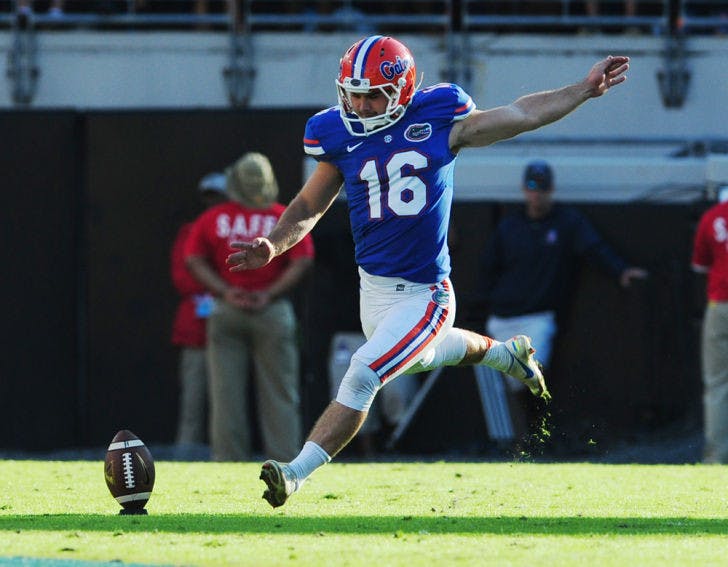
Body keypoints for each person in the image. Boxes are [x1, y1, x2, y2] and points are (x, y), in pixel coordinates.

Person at [226, 35, 630, 507]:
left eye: (372, 93)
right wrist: (273, 244)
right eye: (352, 92)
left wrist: (580, 90)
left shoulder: (440, 115)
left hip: (425, 293)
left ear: (403, 88)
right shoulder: (335, 132)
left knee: (363, 372)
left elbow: (521, 114)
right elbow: (309, 203)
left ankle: (294, 473)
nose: (359, 103)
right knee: (424, 355)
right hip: (373, 292)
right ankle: (507, 356)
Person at [480, 160, 648, 449]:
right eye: (532, 188)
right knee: (511, 384)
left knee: (532, 374)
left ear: (551, 190)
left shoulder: (567, 222)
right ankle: (522, 440)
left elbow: (595, 249)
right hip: (503, 317)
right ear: (524, 190)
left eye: (543, 189)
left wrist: (621, 271)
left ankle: (534, 438)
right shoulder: (510, 226)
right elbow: (487, 268)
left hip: (538, 318)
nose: (537, 195)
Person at [185, 152, 315, 462]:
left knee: (225, 395)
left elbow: (192, 259)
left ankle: (228, 464)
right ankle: (285, 464)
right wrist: (269, 293)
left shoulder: (214, 217)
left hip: (227, 309)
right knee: (280, 393)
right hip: (272, 310)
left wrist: (225, 291)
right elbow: (303, 260)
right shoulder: (282, 217)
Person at [170, 171, 228, 457]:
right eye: (210, 198)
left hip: (235, 323)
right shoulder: (191, 231)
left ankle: (228, 455)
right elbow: (184, 278)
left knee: (229, 398)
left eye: (220, 198)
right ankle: (186, 454)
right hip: (197, 329)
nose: (214, 204)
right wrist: (221, 287)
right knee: (193, 396)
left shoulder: (238, 229)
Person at [691, 186, 728, 464]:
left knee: (717, 384)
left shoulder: (713, 217)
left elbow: (700, 265)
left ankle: (717, 457)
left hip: (721, 305)